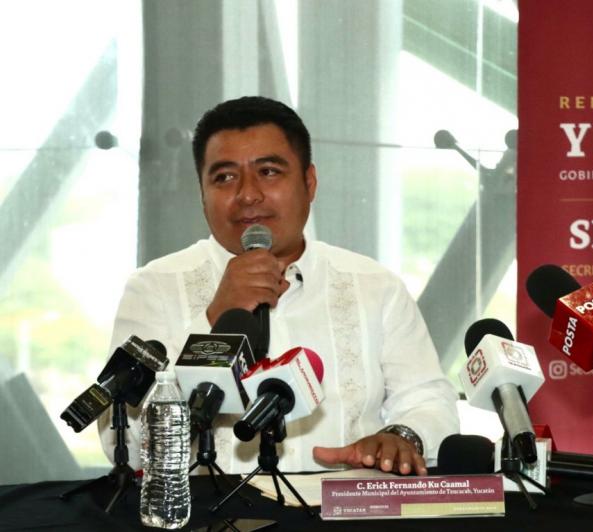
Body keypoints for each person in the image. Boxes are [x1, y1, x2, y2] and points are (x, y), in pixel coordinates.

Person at [98, 96, 458, 476]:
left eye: (268, 172)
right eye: (224, 177)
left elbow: (430, 402)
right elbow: (127, 446)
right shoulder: (154, 289)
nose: (248, 194)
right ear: (202, 194)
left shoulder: (374, 287)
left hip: (344, 506)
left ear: (309, 183)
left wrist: (400, 436)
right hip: (211, 509)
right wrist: (215, 318)